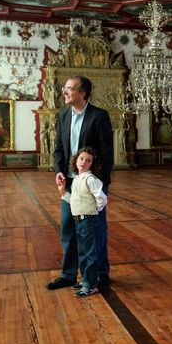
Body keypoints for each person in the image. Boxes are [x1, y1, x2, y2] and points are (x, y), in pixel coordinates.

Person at [47, 75, 114, 291]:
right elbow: (59, 148)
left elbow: (106, 153)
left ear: (82, 93)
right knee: (68, 229)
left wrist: (98, 183)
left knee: (96, 230)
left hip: (91, 184)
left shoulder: (99, 116)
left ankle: (101, 274)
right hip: (68, 183)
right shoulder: (63, 115)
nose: (64, 92)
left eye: (69, 89)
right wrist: (59, 171)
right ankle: (68, 275)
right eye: (65, 89)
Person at [57, 147, 107, 298]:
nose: (84, 162)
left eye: (88, 160)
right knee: (83, 253)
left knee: (90, 254)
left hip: (89, 221)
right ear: (76, 160)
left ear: (92, 164)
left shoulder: (91, 179)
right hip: (79, 222)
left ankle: (90, 284)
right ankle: (86, 279)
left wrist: (93, 212)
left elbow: (102, 199)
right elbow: (73, 202)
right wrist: (62, 192)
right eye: (82, 158)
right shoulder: (77, 179)